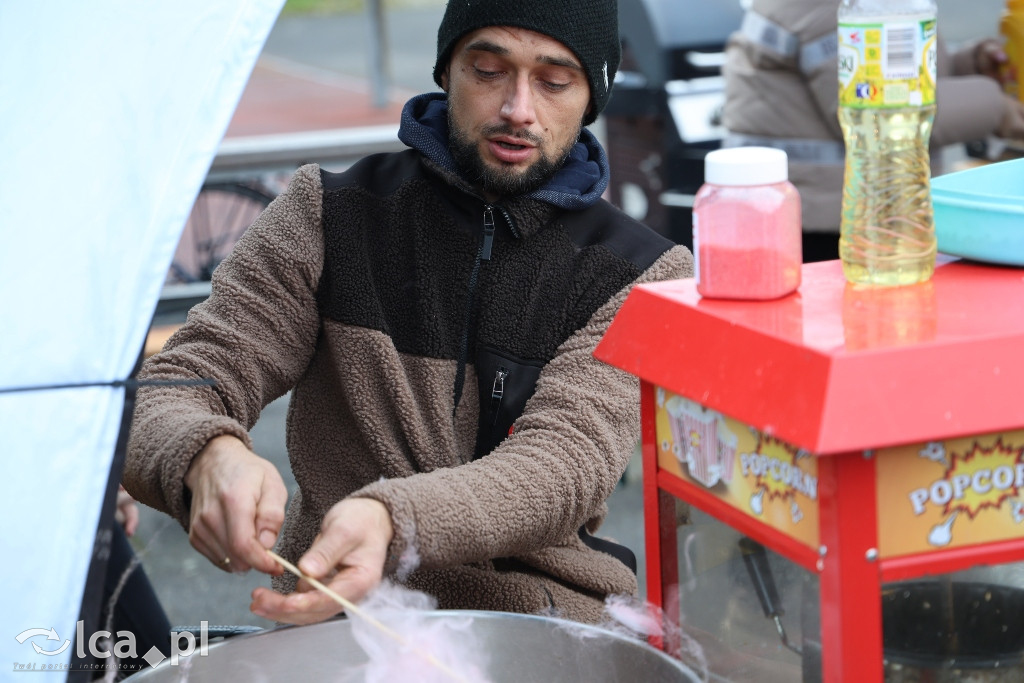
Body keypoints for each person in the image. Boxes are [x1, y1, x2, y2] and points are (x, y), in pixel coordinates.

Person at [124, 0, 693, 626]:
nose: (518, 110)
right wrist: (206, 454)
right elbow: (171, 384)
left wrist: (390, 520)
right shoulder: (326, 212)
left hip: (545, 622)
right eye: (487, 70)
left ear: (591, 98)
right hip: (338, 617)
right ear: (446, 69)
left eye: (555, 82)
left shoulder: (644, 270)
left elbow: (563, 465)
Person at [721, 0, 1024, 262]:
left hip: (836, 207)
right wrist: (997, 106)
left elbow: (896, 69)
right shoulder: (829, 10)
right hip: (823, 220)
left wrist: (966, 64)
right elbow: (882, 111)